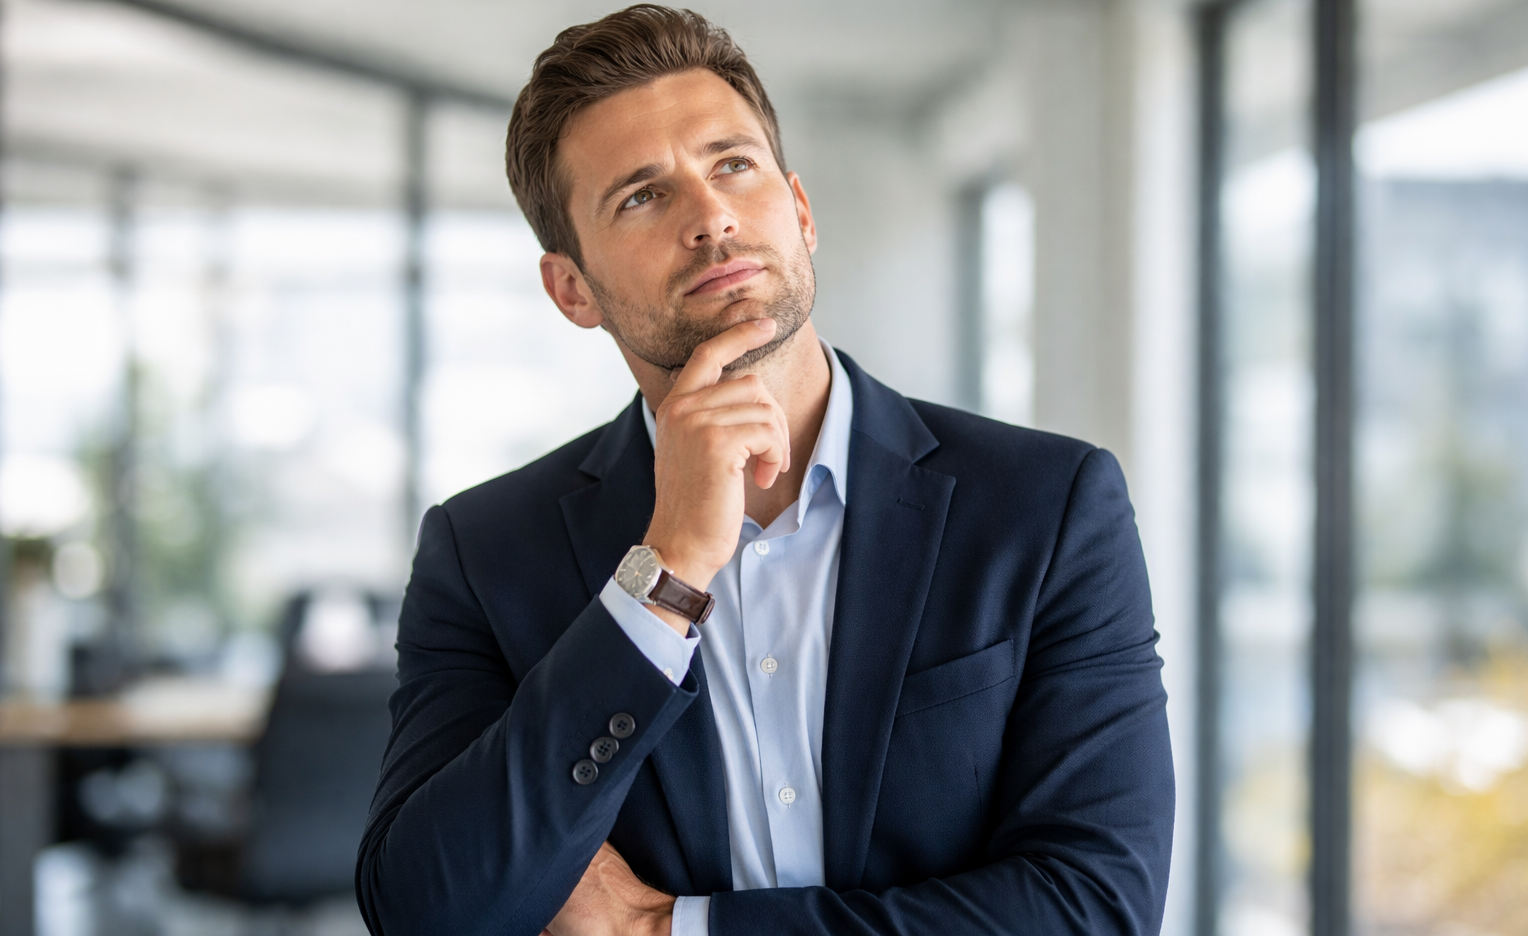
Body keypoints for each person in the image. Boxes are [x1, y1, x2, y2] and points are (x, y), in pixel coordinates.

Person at [355, 6, 1174, 935]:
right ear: (572, 290)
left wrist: (665, 931)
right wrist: (661, 579)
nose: (711, 217)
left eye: (733, 165)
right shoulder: (483, 552)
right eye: (642, 196)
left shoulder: (1048, 507)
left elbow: (1098, 906)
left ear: (802, 212)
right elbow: (423, 911)